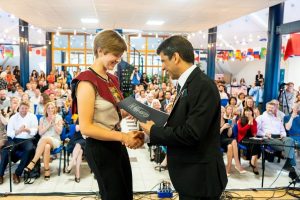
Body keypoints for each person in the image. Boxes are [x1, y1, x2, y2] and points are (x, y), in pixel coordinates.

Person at [140, 35, 227, 199]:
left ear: (175, 57)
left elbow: (192, 133)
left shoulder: (202, 85)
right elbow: (182, 122)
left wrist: (154, 130)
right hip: (190, 176)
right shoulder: (188, 83)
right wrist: (149, 134)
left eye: (163, 61)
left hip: (200, 178)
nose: (163, 68)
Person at [71, 30, 144, 200]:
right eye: (116, 54)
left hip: (116, 142)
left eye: (120, 55)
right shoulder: (87, 81)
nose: (118, 59)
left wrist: (138, 112)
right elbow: (86, 127)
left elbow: (115, 112)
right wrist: (123, 136)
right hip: (100, 147)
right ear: (100, 51)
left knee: (126, 193)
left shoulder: (111, 79)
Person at [24, 102, 63, 181]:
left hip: (55, 139)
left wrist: (54, 123)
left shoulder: (58, 117)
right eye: (48, 108)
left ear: (54, 109)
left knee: (45, 139)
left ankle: (33, 162)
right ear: (46, 109)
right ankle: (47, 170)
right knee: (46, 146)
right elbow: (40, 133)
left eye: (52, 108)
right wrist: (49, 124)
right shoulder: (42, 119)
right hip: (43, 142)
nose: (50, 110)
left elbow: (59, 132)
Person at [0, 101, 38, 184]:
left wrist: (27, 129)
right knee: (6, 150)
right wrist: (19, 131)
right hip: (15, 139)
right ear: (19, 108)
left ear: (28, 109)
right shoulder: (13, 117)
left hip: (27, 139)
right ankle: (0, 174)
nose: (23, 110)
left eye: (25, 108)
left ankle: (17, 173)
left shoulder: (32, 116)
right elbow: (9, 132)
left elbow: (35, 130)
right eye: (22, 108)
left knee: (30, 149)